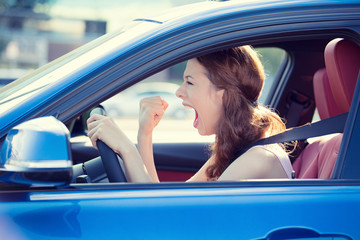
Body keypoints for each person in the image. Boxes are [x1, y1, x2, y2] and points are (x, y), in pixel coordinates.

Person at [87, 46, 293, 183]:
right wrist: (145, 134)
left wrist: (126, 149)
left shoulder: (258, 159)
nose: (179, 91)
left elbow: (163, 218)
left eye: (190, 82)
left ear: (223, 95)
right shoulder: (236, 151)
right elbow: (165, 202)